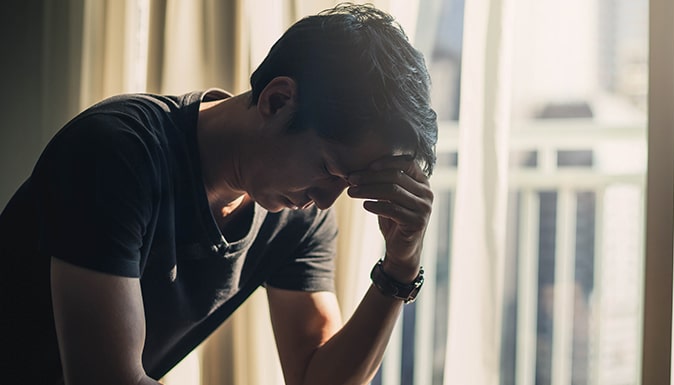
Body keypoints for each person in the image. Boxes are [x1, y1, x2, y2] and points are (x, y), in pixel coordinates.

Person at [0, 3, 437, 384]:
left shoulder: (299, 213)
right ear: (278, 100)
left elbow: (315, 378)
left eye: (348, 185)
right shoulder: (117, 153)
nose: (325, 201)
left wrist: (401, 265)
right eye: (327, 169)